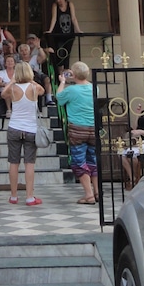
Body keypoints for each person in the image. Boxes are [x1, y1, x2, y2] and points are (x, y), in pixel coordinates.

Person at [2, 60, 45, 206]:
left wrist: (12, 81)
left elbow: (3, 94)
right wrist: (31, 80)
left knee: (13, 162)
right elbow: (43, 90)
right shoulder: (34, 87)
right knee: (29, 164)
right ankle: (29, 197)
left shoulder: (13, 88)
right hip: (30, 129)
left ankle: (13, 196)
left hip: (14, 127)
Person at [56, 61, 98, 204]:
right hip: (93, 128)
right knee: (93, 160)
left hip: (78, 129)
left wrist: (63, 81)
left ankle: (89, 195)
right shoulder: (94, 88)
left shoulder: (71, 90)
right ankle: (97, 192)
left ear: (73, 74)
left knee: (79, 162)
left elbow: (59, 98)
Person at [45, 0, 82, 75]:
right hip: (59, 33)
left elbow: (73, 18)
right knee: (60, 52)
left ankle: (65, 74)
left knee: (67, 53)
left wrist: (78, 30)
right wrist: (50, 30)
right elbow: (54, 18)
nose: (58, 1)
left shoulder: (70, 4)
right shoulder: (55, 6)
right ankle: (60, 73)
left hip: (69, 33)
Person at [18, 42, 52, 106]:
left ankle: (49, 98)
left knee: (47, 79)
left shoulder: (35, 57)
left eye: (25, 50)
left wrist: (39, 47)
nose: (24, 52)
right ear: (20, 52)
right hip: (26, 77)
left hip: (38, 74)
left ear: (29, 51)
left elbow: (43, 57)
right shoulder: (19, 62)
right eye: (22, 51)